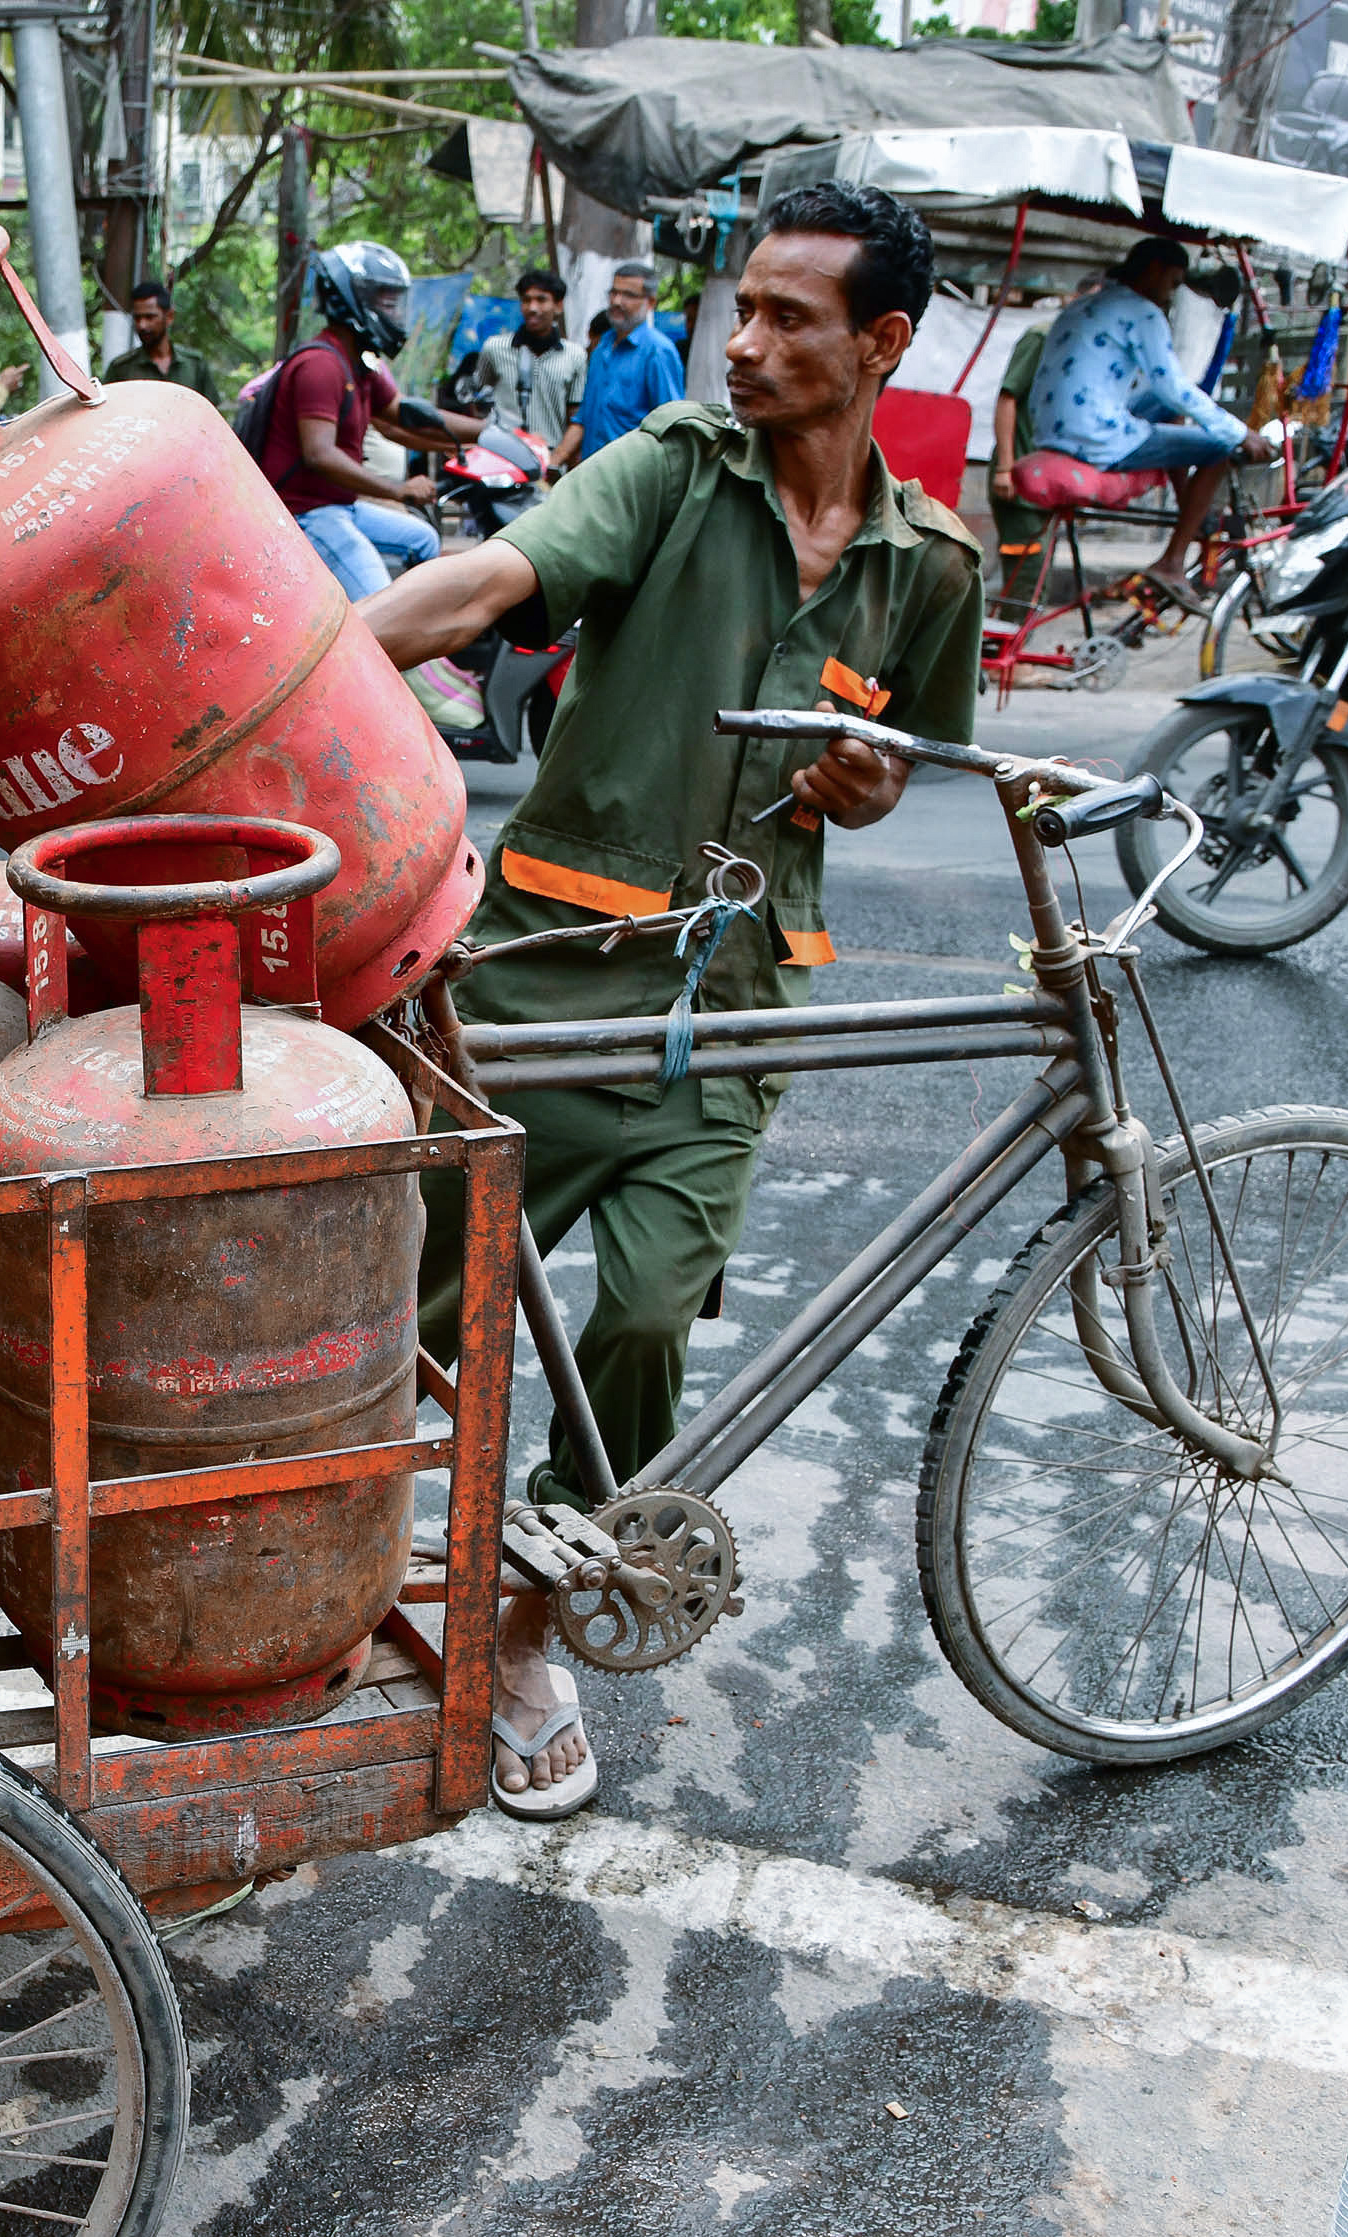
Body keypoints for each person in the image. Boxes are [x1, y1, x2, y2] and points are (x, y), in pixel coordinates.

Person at [359, 181, 984, 1817]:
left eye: (788, 318)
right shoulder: (669, 473)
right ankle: (311, 1575)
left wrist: (861, 785)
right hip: (543, 985)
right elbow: (484, 586)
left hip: (734, 1009)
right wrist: (295, 665)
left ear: (880, 344)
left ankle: (524, 1633)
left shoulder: (928, 563)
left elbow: (903, 760)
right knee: (411, 1320)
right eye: (742, 311)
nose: (744, 343)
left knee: (639, 1319)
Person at [1026, 236, 1269, 604]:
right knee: (1220, 447)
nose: (1170, 295)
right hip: (1095, 439)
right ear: (1155, 270)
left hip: (1054, 431)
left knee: (1167, 406)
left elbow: (1164, 395)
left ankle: (1190, 509)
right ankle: (1172, 561)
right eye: (1172, 283)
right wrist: (1240, 432)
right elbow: (1173, 387)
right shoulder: (1142, 312)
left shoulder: (1084, 304)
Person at [260, 241, 473, 600]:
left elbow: (402, 414)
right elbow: (319, 454)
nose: (394, 313)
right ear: (353, 301)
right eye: (386, 303)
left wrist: (487, 434)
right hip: (305, 513)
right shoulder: (321, 364)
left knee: (423, 539)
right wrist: (397, 490)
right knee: (380, 599)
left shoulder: (359, 364)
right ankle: (390, 634)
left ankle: (421, 628)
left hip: (340, 506)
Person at [565, 259, 682, 470]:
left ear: (650, 302)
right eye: (614, 293)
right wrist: (553, 461)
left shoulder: (658, 351)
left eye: (628, 295)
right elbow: (584, 418)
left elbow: (671, 428)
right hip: (592, 472)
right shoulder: (602, 347)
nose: (617, 301)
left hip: (632, 477)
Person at [478, 267, 585, 455]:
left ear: (558, 306)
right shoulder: (494, 348)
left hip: (550, 460)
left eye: (541, 300)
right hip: (502, 457)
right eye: (526, 300)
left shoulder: (575, 356)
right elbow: (478, 400)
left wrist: (556, 460)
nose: (532, 308)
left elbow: (577, 419)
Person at [985, 312, 1050, 607]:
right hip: (1018, 482)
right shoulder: (1041, 337)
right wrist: (1005, 468)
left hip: (1046, 484)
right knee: (1025, 580)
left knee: (1037, 584)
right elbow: (1007, 397)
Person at [103, 278, 219, 406]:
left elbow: (211, 413)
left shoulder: (194, 365)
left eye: (150, 317)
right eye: (137, 318)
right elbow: (106, 413)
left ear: (169, 317)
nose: (142, 325)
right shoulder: (121, 368)